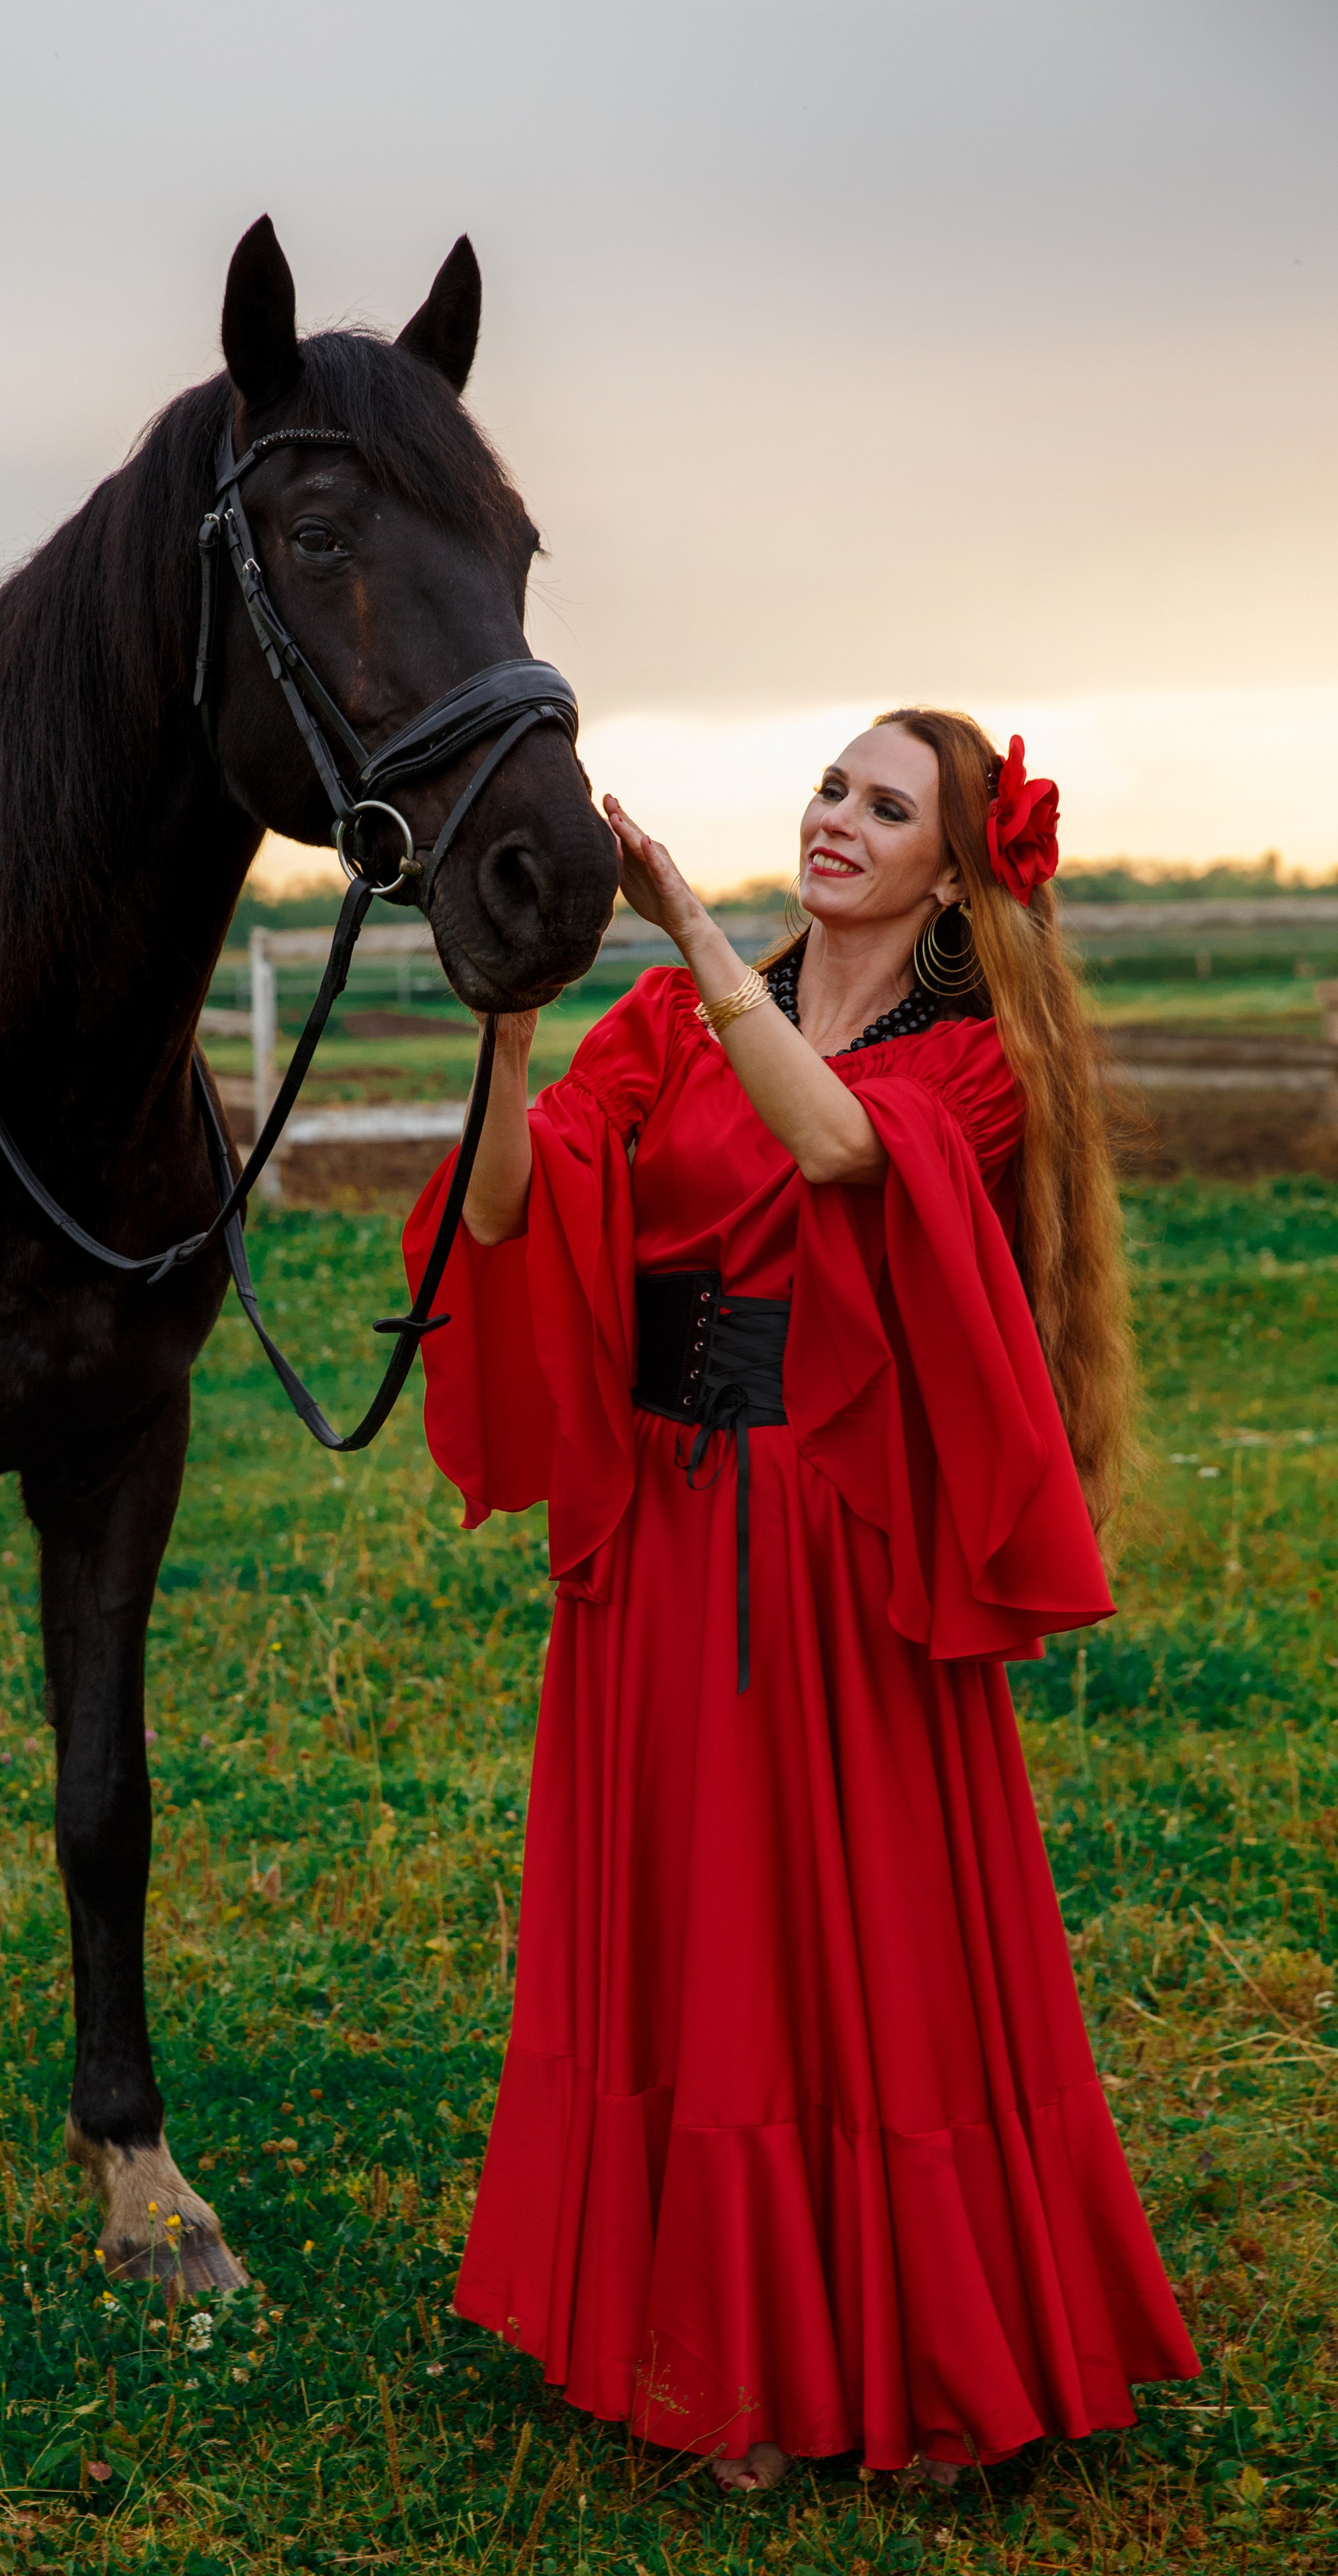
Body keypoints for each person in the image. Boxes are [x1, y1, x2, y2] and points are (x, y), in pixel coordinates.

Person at [403, 708, 1197, 2490]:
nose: (839, 819)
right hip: (664, 1537)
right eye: (833, 786)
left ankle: (902, 2343)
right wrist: (514, 1040)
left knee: (849, 1942)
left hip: (833, 1545)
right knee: (688, 1931)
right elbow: (516, 1212)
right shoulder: (671, 1023)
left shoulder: (972, 1052)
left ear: (953, 868)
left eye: (887, 805)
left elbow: (845, 1149)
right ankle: (712, 2350)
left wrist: (693, 936)